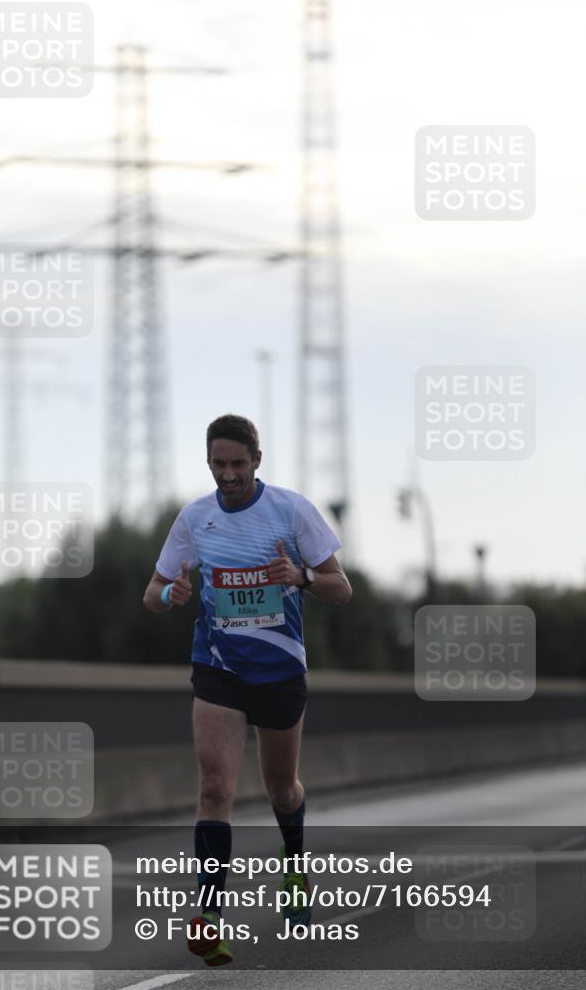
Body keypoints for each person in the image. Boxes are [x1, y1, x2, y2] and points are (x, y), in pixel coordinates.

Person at [143, 414, 352, 966]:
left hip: (279, 670)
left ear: (257, 460)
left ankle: (296, 864)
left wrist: (301, 578)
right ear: (208, 462)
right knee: (214, 787)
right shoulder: (195, 518)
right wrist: (172, 596)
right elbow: (152, 592)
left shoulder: (290, 510)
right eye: (219, 464)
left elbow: (341, 587)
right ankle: (210, 916)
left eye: (238, 463)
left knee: (282, 788)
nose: (228, 474)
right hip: (218, 667)